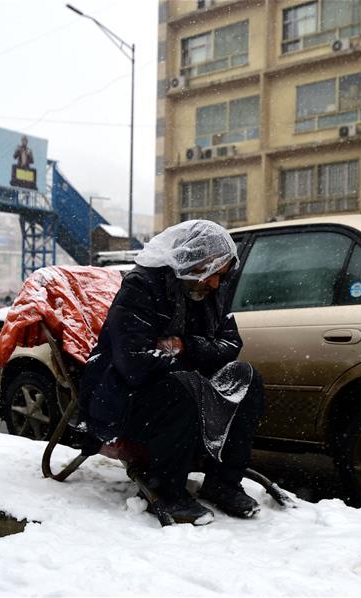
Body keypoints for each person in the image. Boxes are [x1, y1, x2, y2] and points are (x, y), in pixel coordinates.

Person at [78, 220, 264, 525]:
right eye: (213, 273)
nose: (218, 283)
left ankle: (223, 483)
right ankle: (166, 490)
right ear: (193, 261)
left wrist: (185, 347)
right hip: (121, 399)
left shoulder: (212, 290)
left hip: (175, 388)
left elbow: (231, 344)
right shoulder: (141, 287)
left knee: (247, 378)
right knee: (181, 386)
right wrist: (198, 359)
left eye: (222, 275)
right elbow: (135, 363)